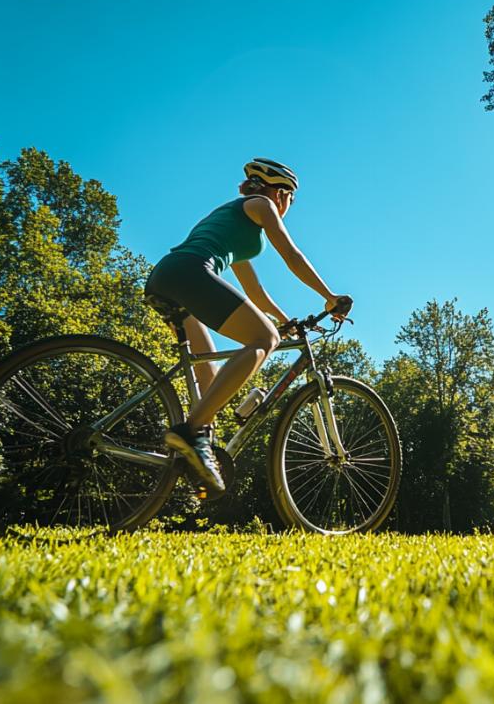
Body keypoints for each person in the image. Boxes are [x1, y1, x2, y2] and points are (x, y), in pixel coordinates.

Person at [144, 157, 349, 493]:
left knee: (211, 383)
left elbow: (254, 292)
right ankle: (189, 433)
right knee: (263, 340)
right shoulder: (262, 204)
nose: (288, 207)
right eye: (291, 200)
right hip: (189, 272)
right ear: (281, 193)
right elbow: (291, 254)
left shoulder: (238, 224)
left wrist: (285, 322)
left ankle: (197, 452)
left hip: (168, 276)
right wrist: (329, 296)